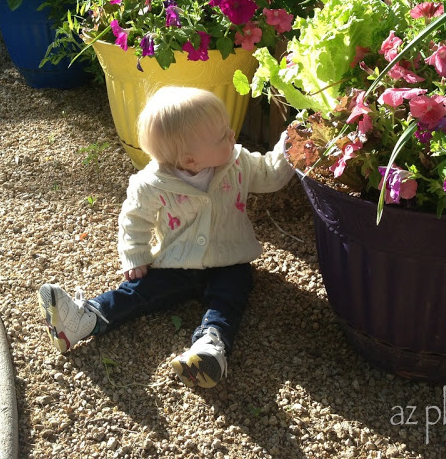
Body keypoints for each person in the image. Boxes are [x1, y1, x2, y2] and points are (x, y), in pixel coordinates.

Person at [37, 86, 294, 388]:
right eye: (223, 135)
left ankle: (211, 344)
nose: (232, 135)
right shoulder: (151, 183)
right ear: (190, 160)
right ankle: (84, 319)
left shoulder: (238, 162)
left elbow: (271, 174)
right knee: (139, 291)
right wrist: (136, 256)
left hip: (230, 259)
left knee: (230, 296)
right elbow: (135, 220)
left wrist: (290, 147)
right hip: (176, 261)